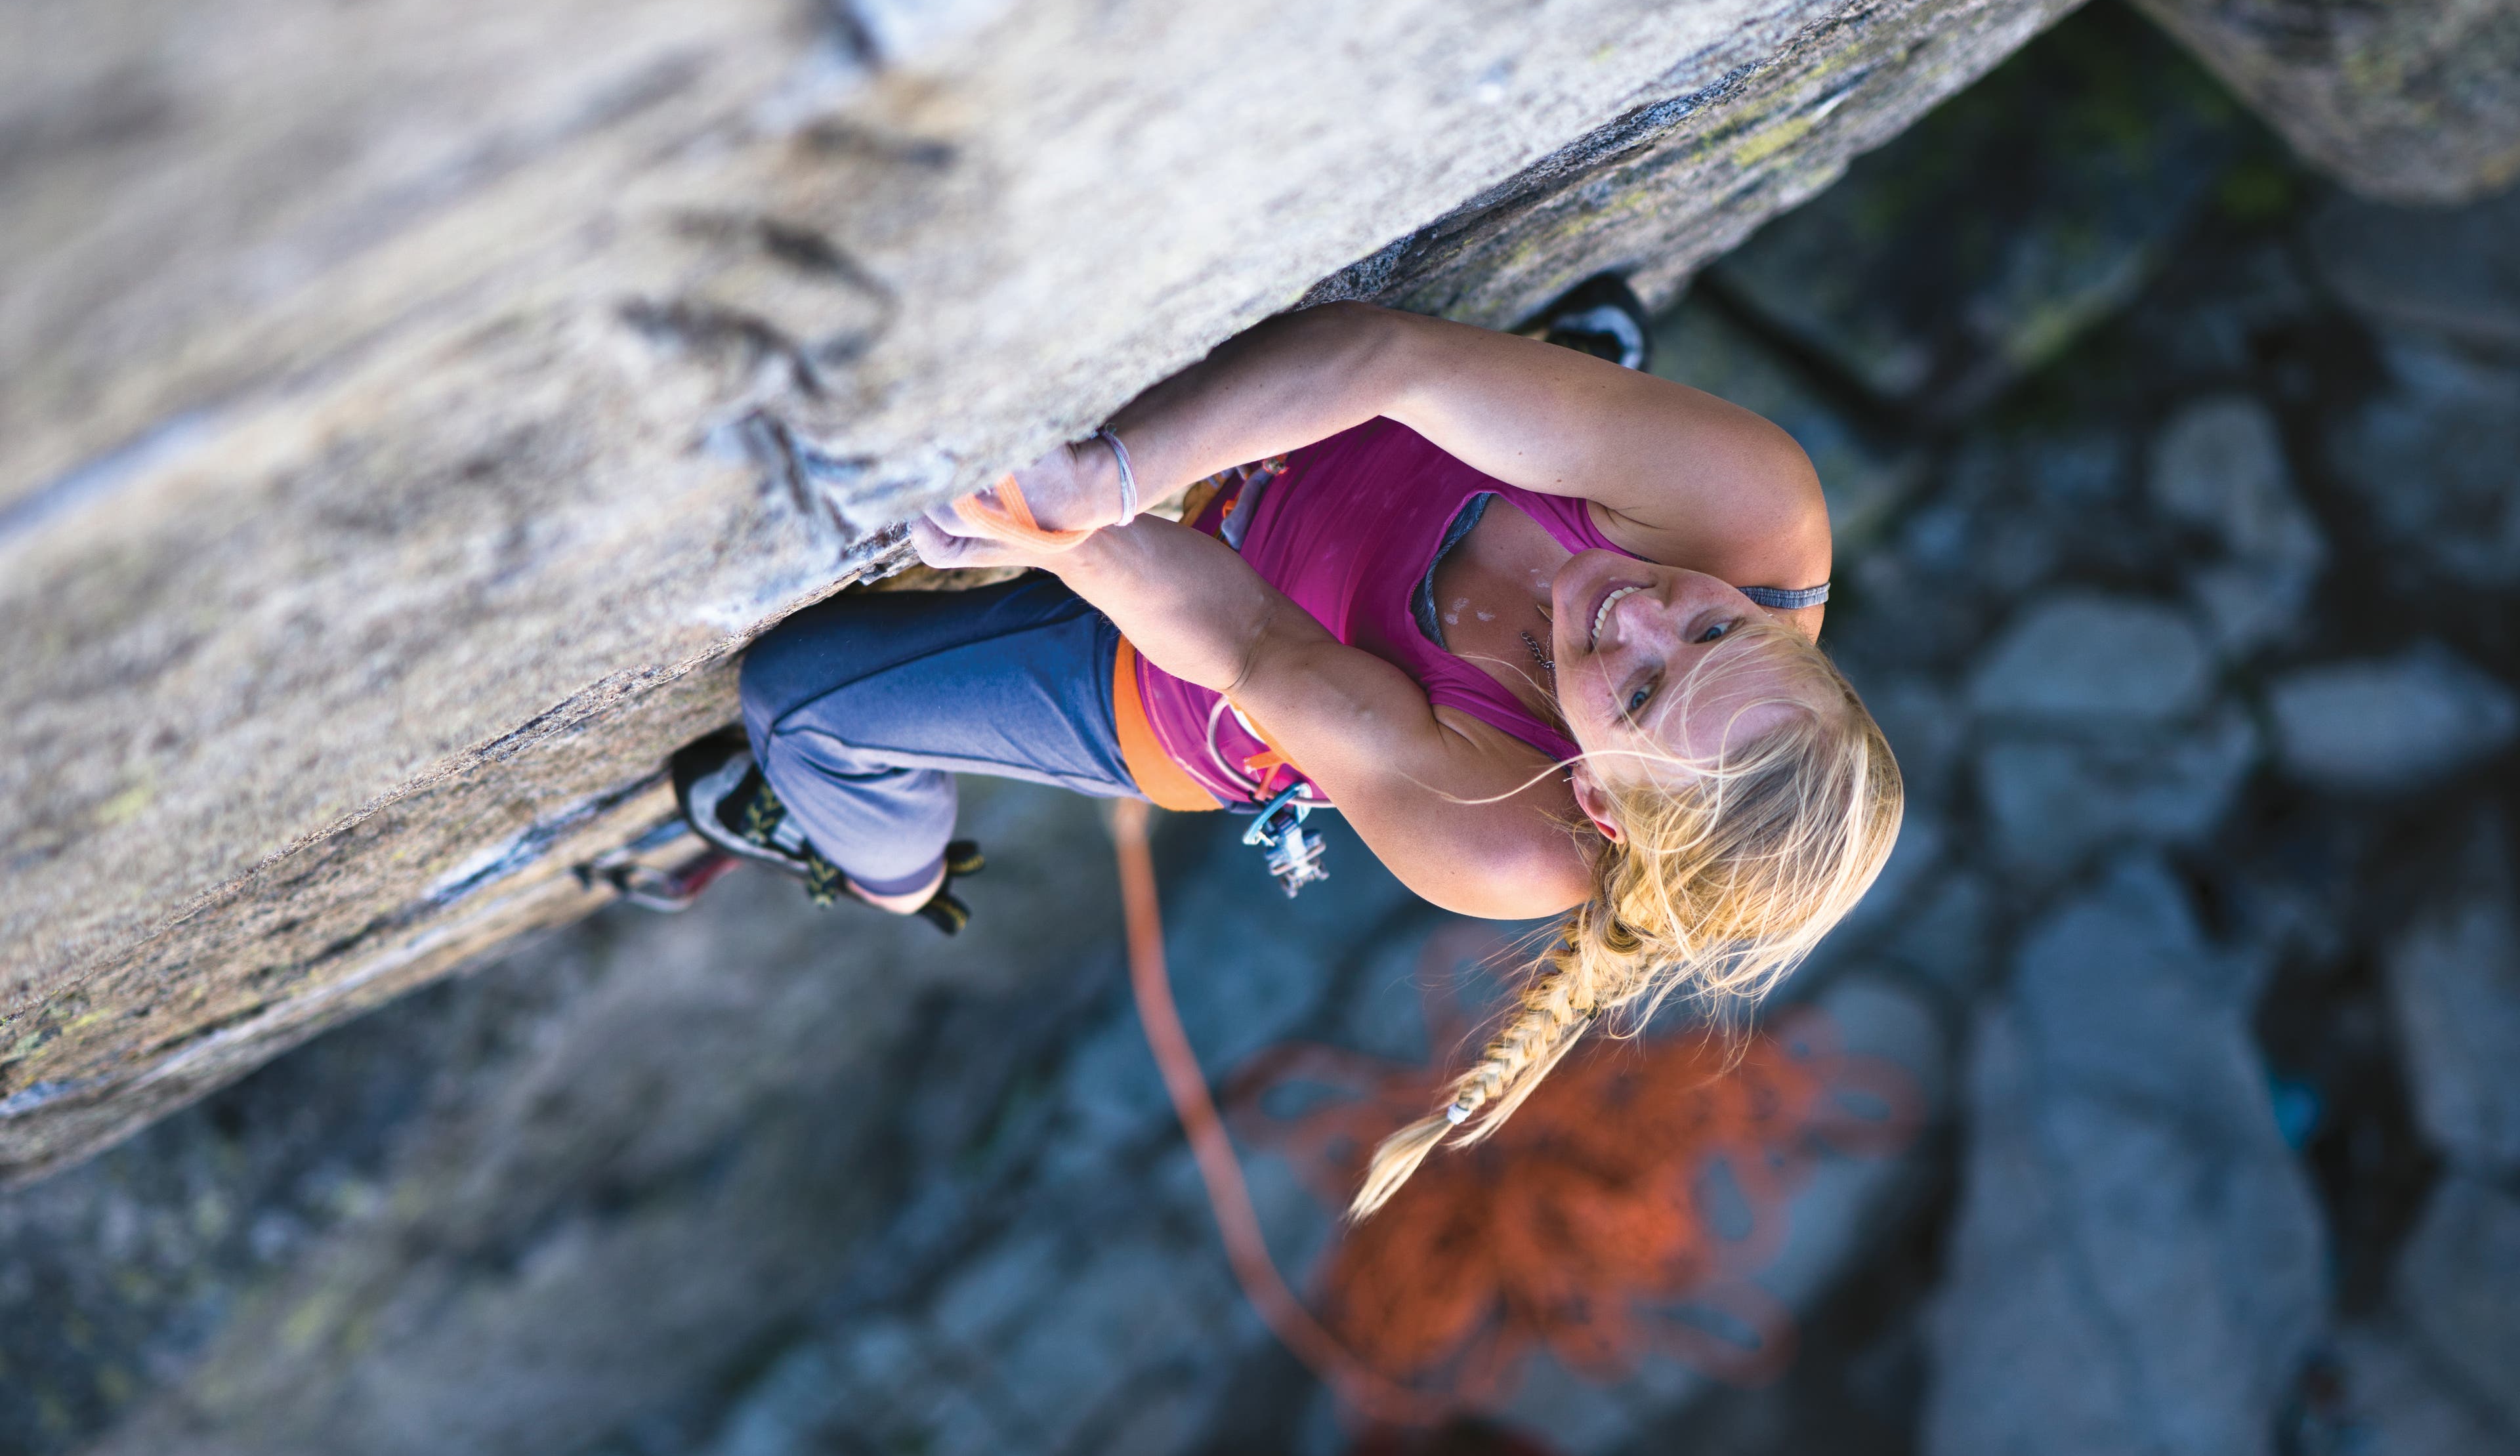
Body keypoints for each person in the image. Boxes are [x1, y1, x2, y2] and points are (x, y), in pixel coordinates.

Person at [673, 280, 1902, 1211]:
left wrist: (1054, 523)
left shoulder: (1501, 840)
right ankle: (1572, 400)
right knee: (1515, 414)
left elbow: (1253, 645)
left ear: (1593, 794)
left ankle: (883, 868)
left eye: (1634, 691)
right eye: (1714, 626)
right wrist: (1114, 469)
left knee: (802, 701)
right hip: (1374, 437)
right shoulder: (1751, 507)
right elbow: (1392, 355)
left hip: (1210, 667)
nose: (1637, 613)